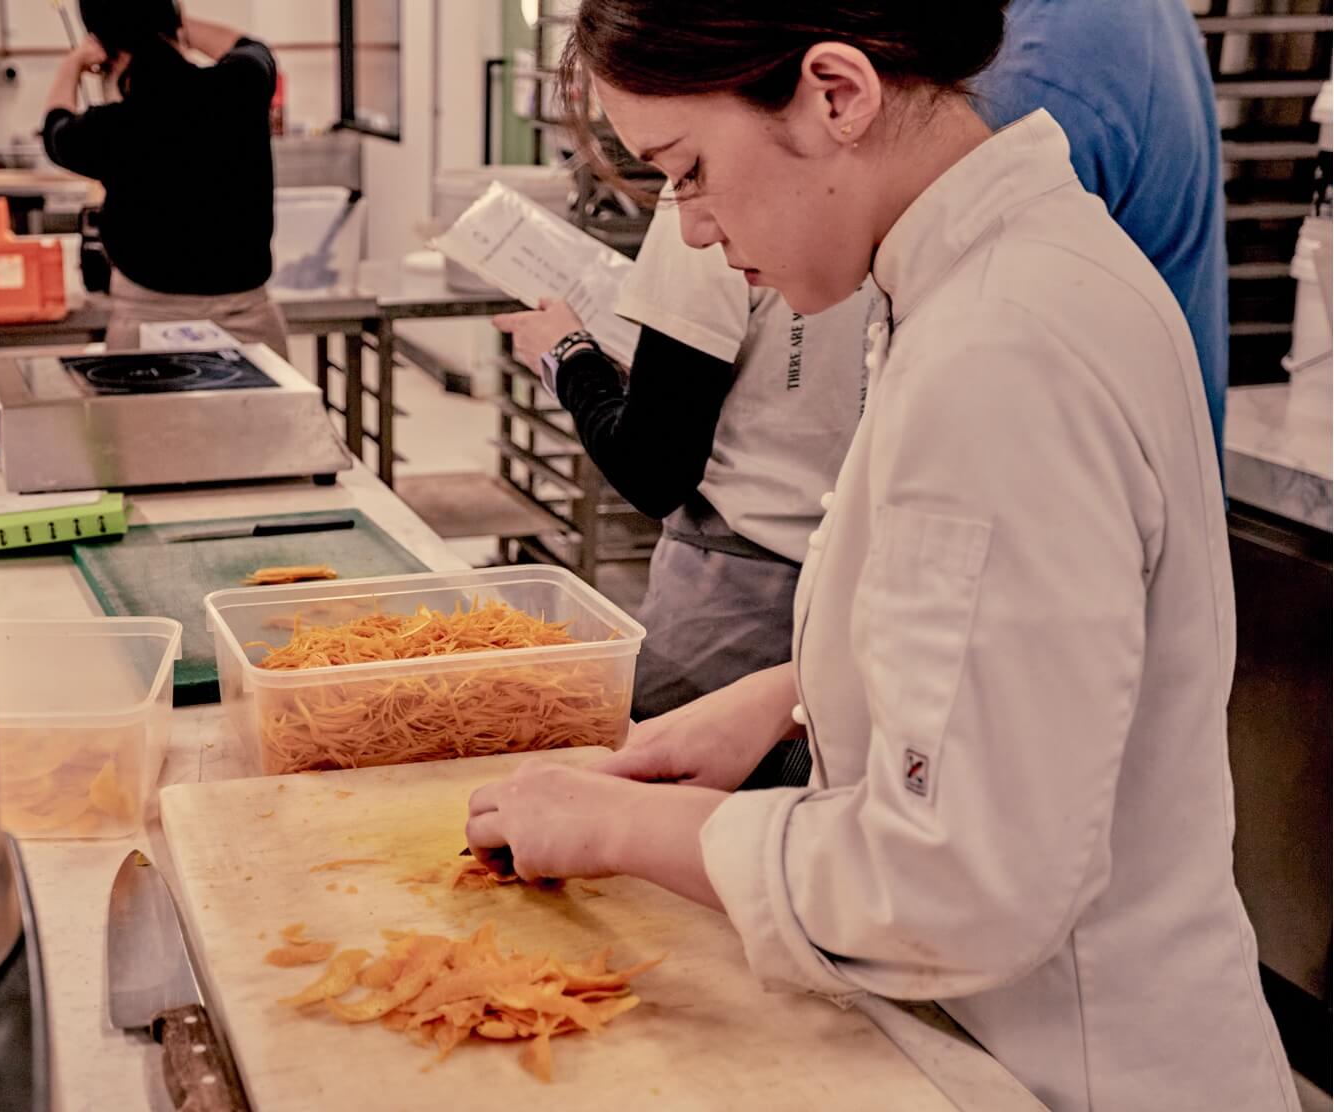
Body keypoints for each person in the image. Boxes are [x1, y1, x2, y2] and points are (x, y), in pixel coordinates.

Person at [464, 3, 1298, 1109]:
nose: (696, 227)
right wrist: (792, 693)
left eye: (689, 170)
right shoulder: (1019, 265)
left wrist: (616, 822)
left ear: (836, 94)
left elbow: (958, 881)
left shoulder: (999, 351)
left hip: (1074, 1068)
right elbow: (1049, 658)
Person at [495, 216, 883, 722]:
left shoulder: (704, 211)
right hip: (867, 577)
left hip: (737, 601)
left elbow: (652, 469)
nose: (699, 224)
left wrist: (570, 356)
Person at [976, 0, 1232, 459]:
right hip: (1154, 487)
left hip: (1075, 499)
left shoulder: (1040, 68)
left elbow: (975, 377)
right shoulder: (1120, 14)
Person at [42, 0, 289, 355]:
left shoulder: (113, 126)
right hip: (247, 321)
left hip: (147, 325)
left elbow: (56, 130)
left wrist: (74, 63)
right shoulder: (240, 86)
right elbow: (253, 47)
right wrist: (172, 23)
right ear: (175, 25)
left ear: (109, 51)